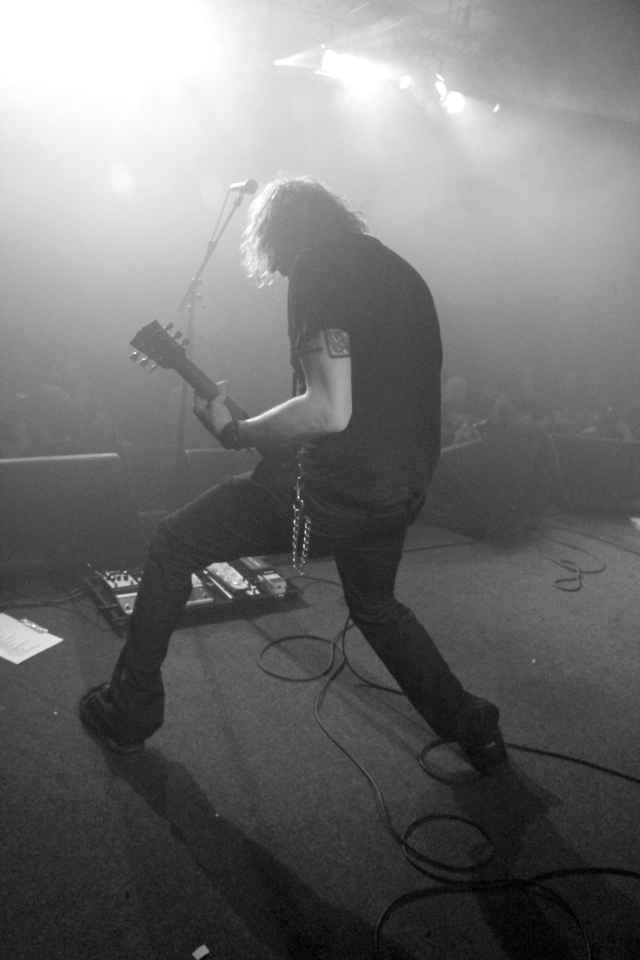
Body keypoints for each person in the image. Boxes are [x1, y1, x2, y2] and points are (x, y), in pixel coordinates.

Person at [79, 177, 507, 773]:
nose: (278, 271)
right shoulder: (400, 271)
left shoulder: (318, 269)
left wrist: (239, 431)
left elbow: (329, 409)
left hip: (334, 494)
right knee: (377, 608)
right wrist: (261, 428)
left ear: (279, 234)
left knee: (174, 543)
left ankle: (128, 712)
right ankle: (474, 729)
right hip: (404, 486)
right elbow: (363, 398)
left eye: (274, 256)